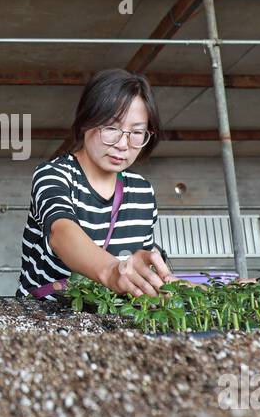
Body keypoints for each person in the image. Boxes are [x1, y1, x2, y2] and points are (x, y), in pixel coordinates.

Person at [17, 69, 175, 298]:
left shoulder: (143, 191)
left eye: (137, 132)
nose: (123, 144)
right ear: (85, 121)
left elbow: (147, 268)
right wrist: (113, 272)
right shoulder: (53, 175)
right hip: (44, 317)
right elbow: (62, 232)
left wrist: (231, 289)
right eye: (111, 128)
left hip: (111, 322)